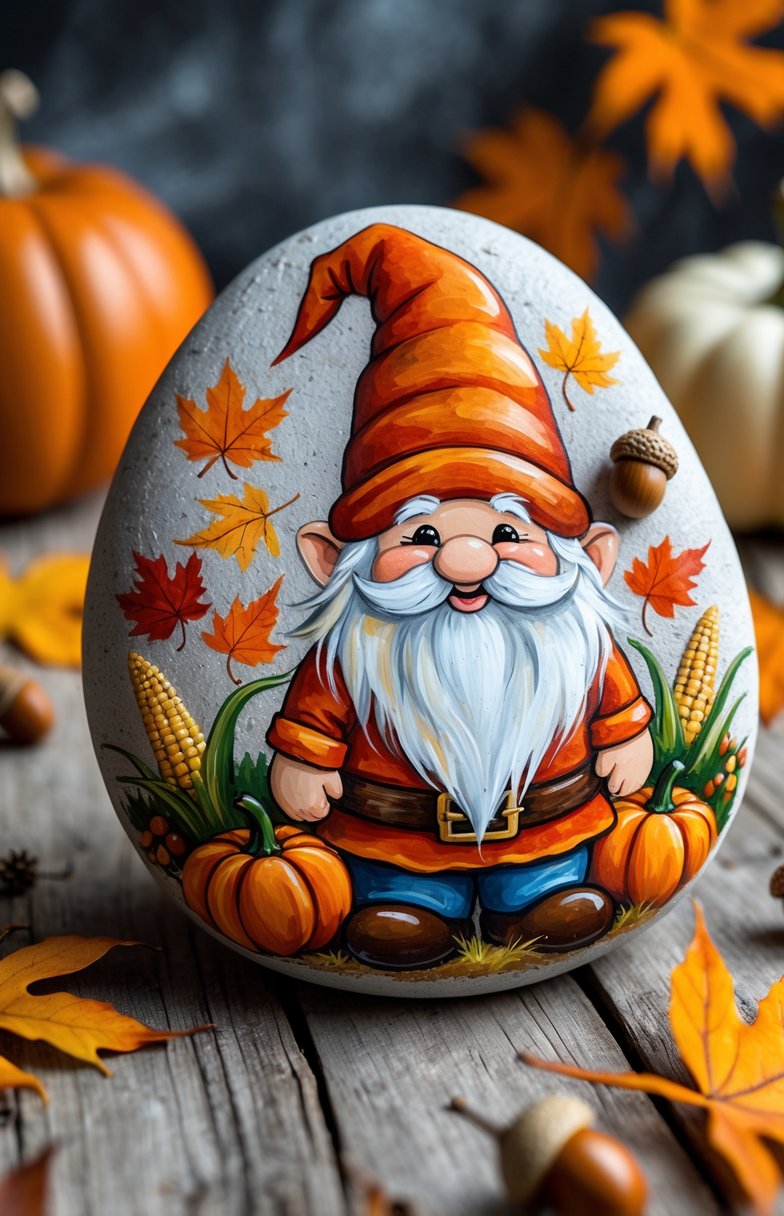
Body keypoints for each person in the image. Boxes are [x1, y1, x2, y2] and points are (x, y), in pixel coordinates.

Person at [267, 223, 653, 970]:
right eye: (419, 537)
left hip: (547, 824)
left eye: (508, 535)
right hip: (395, 837)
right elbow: (318, 711)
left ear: (590, 560)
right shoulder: (359, 647)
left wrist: (625, 734)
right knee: (399, 900)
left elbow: (609, 696)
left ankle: (535, 899)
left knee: (545, 883)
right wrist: (306, 761)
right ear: (331, 561)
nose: (466, 562)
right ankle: (408, 910)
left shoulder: (571, 636)